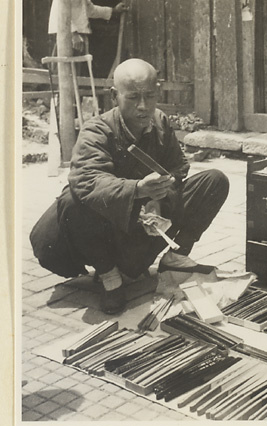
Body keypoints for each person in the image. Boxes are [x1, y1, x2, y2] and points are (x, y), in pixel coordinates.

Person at [30, 59, 229, 314]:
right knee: (72, 200)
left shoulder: (160, 122)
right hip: (105, 230)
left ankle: (173, 259)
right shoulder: (97, 130)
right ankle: (109, 277)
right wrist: (137, 189)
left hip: (146, 221)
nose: (143, 106)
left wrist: (160, 195)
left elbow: (178, 167)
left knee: (214, 181)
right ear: (114, 96)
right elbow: (87, 181)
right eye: (133, 97)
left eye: (149, 96)